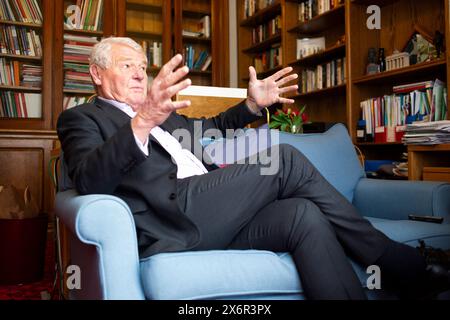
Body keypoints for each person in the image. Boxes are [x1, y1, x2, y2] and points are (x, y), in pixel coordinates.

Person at [57, 37, 449, 300]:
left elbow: (206, 130)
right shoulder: (82, 119)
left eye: (143, 66)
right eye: (127, 66)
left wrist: (251, 106)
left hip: (213, 212)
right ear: (96, 74)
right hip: (173, 218)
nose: (140, 74)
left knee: (302, 214)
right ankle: (397, 262)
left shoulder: (165, 116)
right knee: (281, 160)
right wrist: (140, 122)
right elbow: (90, 178)